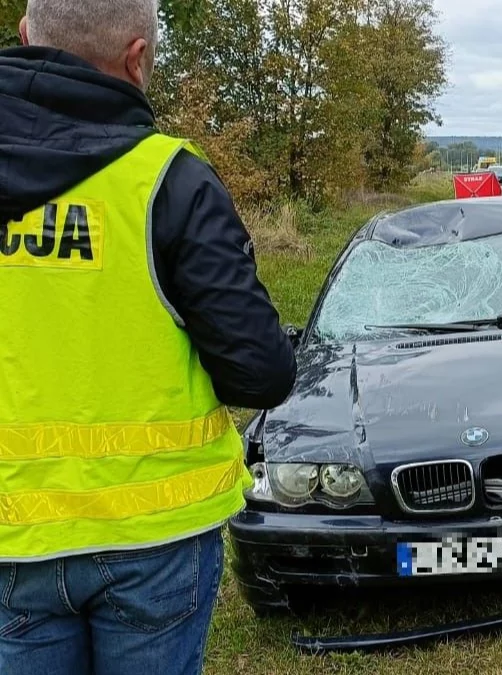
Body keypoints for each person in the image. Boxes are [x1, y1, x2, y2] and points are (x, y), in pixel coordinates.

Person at [0, 2, 297, 674]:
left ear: (24, 37)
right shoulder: (169, 180)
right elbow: (261, 373)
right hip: (155, 536)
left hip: (11, 536)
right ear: (137, 58)